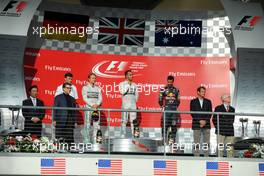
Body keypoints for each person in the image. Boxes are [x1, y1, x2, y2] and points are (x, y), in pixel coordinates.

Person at [190, 86, 212, 157]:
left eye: (204, 92)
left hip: (207, 124)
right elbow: (192, 113)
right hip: (196, 124)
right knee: (196, 142)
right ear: (198, 92)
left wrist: (205, 121)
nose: (204, 93)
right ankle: (196, 156)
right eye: (202, 91)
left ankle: (206, 156)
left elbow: (210, 113)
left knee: (207, 142)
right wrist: (200, 121)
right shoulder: (193, 102)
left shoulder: (208, 101)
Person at [159, 75, 180, 144]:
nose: (169, 83)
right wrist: (163, 106)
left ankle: (172, 142)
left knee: (174, 126)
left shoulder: (176, 90)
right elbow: (160, 99)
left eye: (171, 82)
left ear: (173, 82)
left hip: (174, 111)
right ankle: (163, 142)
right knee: (164, 126)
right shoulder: (163, 89)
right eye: (168, 82)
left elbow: (178, 101)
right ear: (167, 81)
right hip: (166, 110)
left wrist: (174, 106)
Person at [82, 73, 103, 144]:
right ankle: (86, 141)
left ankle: (95, 141)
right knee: (87, 125)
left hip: (96, 109)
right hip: (88, 108)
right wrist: (92, 105)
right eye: (92, 78)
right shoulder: (85, 88)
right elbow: (84, 98)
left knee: (96, 125)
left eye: (95, 78)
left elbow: (100, 98)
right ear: (89, 79)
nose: (94, 79)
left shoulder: (98, 88)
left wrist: (97, 104)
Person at [119, 70, 139, 138]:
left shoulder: (134, 84)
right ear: (126, 76)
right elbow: (122, 92)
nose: (131, 76)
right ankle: (123, 135)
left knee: (133, 121)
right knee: (124, 121)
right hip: (125, 104)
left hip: (133, 105)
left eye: (132, 74)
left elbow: (136, 95)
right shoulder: (122, 84)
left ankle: (134, 135)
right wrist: (127, 85)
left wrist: (134, 102)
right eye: (130, 75)